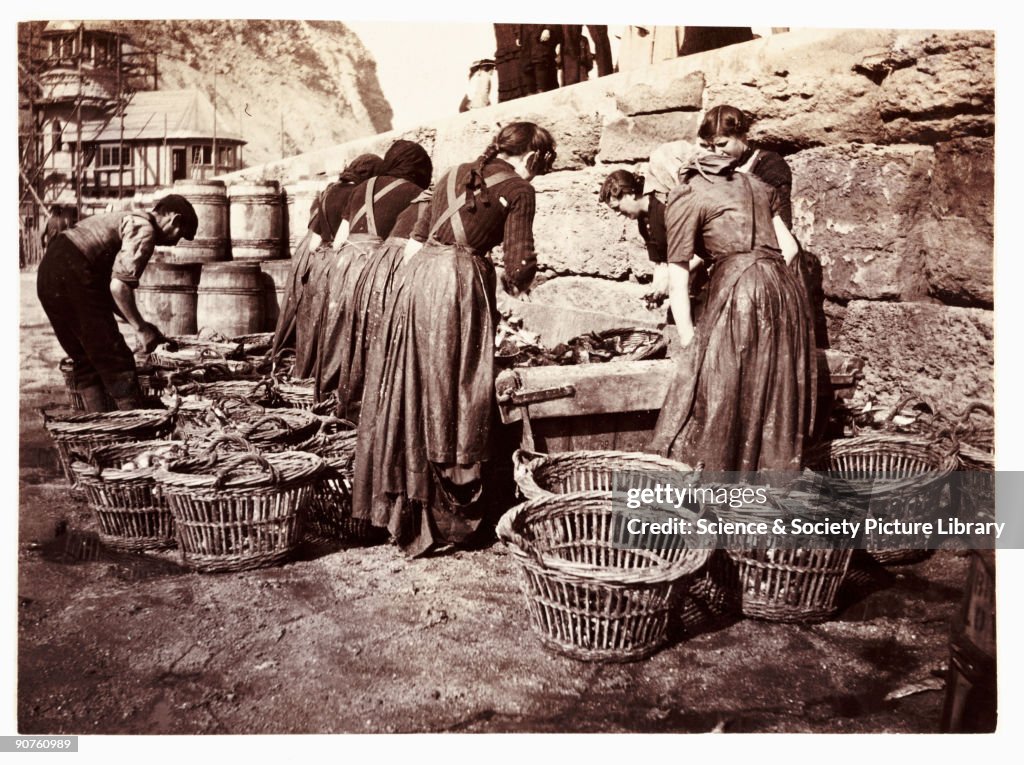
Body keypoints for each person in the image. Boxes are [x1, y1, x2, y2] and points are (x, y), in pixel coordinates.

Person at [353, 121, 556, 557]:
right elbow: (519, 265)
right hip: (459, 286)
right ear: (534, 157)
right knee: (456, 392)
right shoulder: (521, 189)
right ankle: (452, 513)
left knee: (414, 386)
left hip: (417, 279)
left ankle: (405, 504)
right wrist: (520, 286)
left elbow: (418, 236)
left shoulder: (451, 173)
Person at [648, 149, 815, 474]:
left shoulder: (687, 194)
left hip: (741, 296)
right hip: (784, 294)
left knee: (715, 399)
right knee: (773, 404)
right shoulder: (757, 187)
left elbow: (677, 284)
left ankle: (709, 498)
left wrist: (688, 345)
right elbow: (791, 249)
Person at [36, 194, 198, 412]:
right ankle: (133, 431)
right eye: (181, 235)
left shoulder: (123, 218)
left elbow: (106, 294)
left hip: (49, 273)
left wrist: (141, 324)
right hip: (73, 270)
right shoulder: (144, 228)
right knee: (116, 360)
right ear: (175, 219)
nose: (176, 242)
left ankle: (101, 428)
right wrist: (141, 329)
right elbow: (119, 287)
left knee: (85, 360)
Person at [698, 104, 828, 348]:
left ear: (741, 135)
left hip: (773, 260)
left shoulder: (769, 165)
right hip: (737, 265)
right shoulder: (721, 169)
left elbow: (780, 228)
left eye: (723, 144)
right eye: (711, 146)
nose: (717, 152)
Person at [315, 139, 433, 403]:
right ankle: (362, 397)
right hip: (374, 266)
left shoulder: (362, 187)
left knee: (337, 329)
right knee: (368, 332)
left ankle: (327, 393)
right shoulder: (412, 192)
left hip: (344, 262)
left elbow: (340, 238)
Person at [280, 153, 384, 377]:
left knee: (315, 327)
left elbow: (314, 242)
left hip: (318, 262)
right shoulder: (358, 195)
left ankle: (307, 375)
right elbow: (342, 241)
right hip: (340, 264)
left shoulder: (329, 191)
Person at [517, 24, 562, 94]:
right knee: (528, 68)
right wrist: (519, 35)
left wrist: (548, 29)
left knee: (541, 63)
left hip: (541, 37)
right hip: (526, 39)